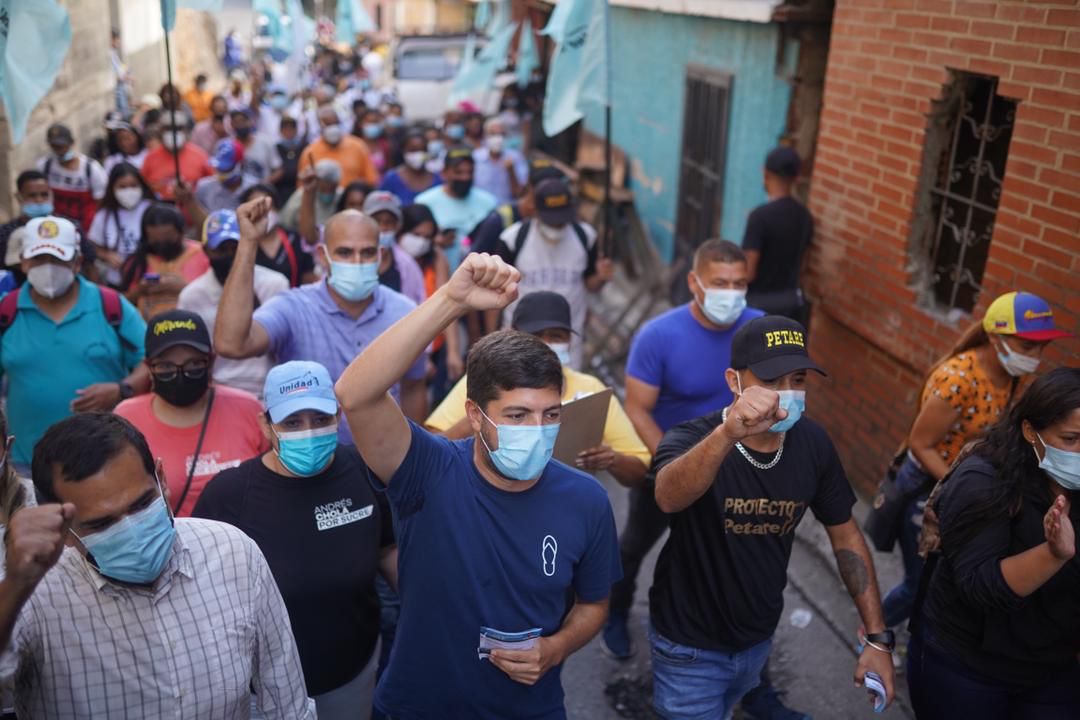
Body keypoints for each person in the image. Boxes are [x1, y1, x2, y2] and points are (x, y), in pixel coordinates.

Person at [334, 252, 621, 719]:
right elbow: (355, 393)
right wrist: (451, 299)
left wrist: (556, 648)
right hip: (418, 707)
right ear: (475, 415)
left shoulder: (586, 499)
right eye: (516, 415)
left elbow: (593, 605)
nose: (537, 429)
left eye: (550, 414)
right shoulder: (426, 471)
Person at [649, 315, 896, 718]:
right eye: (772, 380)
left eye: (798, 380)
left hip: (757, 638)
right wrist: (729, 434)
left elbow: (846, 536)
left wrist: (877, 637)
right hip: (688, 646)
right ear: (734, 381)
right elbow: (668, 497)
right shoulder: (693, 437)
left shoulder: (812, 444)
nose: (787, 394)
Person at [0, 412, 315, 717]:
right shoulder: (32, 595)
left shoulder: (233, 552)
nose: (131, 531)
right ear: (63, 531)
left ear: (161, 480)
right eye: (102, 525)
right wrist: (16, 586)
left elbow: (288, 704)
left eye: (141, 504)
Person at [193, 360, 398, 719]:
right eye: (292, 422)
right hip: (261, 687)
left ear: (337, 416)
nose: (308, 432)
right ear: (266, 425)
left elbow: (390, 552)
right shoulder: (229, 494)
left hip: (353, 672)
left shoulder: (365, 471)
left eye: (320, 420)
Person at [606, 239, 764, 658]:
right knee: (635, 544)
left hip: (737, 468)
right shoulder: (658, 335)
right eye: (720, 282)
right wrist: (670, 462)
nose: (730, 293)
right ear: (694, 282)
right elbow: (637, 408)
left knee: (730, 557)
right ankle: (615, 613)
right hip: (669, 461)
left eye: (739, 283)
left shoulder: (759, 329)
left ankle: (736, 644)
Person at [880, 291, 1070, 633]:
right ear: (995, 337)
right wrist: (967, 491)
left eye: (1042, 347)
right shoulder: (958, 380)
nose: (1036, 357)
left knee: (939, 577)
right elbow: (921, 445)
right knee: (919, 581)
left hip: (970, 489)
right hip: (933, 491)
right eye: (1027, 346)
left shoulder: (1010, 375)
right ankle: (873, 633)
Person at [910, 367, 1080, 719]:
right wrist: (1052, 553)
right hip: (968, 667)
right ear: (1031, 431)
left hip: (1053, 668)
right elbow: (981, 587)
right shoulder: (983, 481)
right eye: (1071, 438)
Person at [215, 197, 427, 444]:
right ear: (322, 256)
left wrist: (414, 460)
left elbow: (413, 387)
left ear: (380, 255)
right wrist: (248, 243)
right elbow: (231, 344)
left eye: (367, 252)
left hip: (385, 464)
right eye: (345, 253)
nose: (357, 263)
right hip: (311, 465)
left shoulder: (405, 313)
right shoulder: (293, 308)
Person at [428, 290, 651, 487]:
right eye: (535, 335)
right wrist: (483, 420)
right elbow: (432, 447)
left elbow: (640, 469)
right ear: (512, 334)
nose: (545, 344)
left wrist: (611, 459)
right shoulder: (485, 380)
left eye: (556, 336)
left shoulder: (590, 388)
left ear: (569, 341)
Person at [0, 217, 149, 472]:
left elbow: (150, 361)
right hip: (26, 463)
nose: (48, 268)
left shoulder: (110, 306)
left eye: (58, 260)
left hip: (106, 459)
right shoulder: (6, 312)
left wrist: (121, 389)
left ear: (77, 262)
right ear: (24, 262)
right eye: (39, 259)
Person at [114, 309, 267, 516]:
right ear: (149, 367)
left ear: (211, 362)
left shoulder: (248, 408)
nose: (180, 374)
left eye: (194, 363)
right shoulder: (127, 419)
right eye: (166, 366)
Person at [495, 178, 613, 368]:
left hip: (566, 343)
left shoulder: (585, 237)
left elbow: (590, 285)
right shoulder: (512, 239)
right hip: (520, 341)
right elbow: (496, 292)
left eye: (562, 221)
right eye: (552, 221)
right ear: (536, 211)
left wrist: (601, 277)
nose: (557, 226)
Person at [178, 210, 289, 397]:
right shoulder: (192, 296)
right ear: (205, 250)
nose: (229, 254)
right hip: (220, 390)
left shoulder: (274, 284)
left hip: (272, 388)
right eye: (221, 249)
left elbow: (284, 343)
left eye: (235, 247)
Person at [742, 147, 812, 323]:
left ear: (765, 174)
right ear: (795, 178)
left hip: (758, 309)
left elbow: (749, 272)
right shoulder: (805, 217)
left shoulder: (759, 216)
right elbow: (804, 265)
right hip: (790, 308)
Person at [122, 203, 211, 319]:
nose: (162, 247)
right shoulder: (137, 262)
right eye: (155, 242)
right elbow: (122, 303)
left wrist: (184, 288)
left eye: (167, 241)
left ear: (180, 233)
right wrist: (140, 290)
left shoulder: (204, 255)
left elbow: (216, 297)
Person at [414, 147, 497, 270]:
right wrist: (435, 242)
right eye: (458, 172)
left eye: (470, 172)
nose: (465, 178)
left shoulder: (489, 202)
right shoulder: (424, 202)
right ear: (444, 173)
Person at [87, 162, 153, 288]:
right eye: (122, 187)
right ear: (112, 189)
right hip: (117, 281)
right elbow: (92, 245)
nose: (128, 191)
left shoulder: (151, 209)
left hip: (148, 280)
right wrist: (106, 255)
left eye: (133, 186)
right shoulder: (104, 215)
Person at [36, 123, 109, 233]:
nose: (58, 151)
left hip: (86, 227)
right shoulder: (45, 166)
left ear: (71, 143)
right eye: (54, 146)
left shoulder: (91, 168)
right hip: (56, 226)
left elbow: (101, 199)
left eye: (61, 146)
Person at [242, 184, 318, 288]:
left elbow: (309, 281)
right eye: (256, 208)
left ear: (277, 209)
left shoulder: (295, 239)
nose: (263, 213)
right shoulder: (240, 245)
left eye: (267, 206)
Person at [363, 191, 426, 306]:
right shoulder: (350, 259)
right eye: (376, 220)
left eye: (389, 222)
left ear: (398, 226)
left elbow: (416, 306)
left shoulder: (407, 265)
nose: (383, 227)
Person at [298, 106, 379, 188]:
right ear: (319, 126)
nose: (332, 128)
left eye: (335, 123)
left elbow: (371, 180)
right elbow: (303, 187)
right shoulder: (310, 152)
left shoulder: (358, 146)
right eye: (328, 124)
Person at [141, 111, 213, 202]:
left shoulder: (200, 155)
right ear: (160, 131)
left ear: (186, 131)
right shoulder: (150, 159)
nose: (173, 132)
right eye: (168, 129)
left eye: (178, 128)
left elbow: (212, 184)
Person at [194, 139, 258, 219]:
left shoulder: (254, 189)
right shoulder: (204, 188)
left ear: (240, 165)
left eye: (226, 169)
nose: (221, 173)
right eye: (219, 168)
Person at [472, 117, 528, 205]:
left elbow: (519, 193)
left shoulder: (516, 157)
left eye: (501, 135)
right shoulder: (475, 157)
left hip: (506, 210)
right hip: (480, 209)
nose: (498, 138)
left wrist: (511, 171)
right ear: (485, 136)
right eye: (493, 134)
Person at [378, 131, 441, 206]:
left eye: (422, 150)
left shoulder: (438, 179)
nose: (418, 154)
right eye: (413, 150)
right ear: (403, 151)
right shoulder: (391, 179)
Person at [282, 159, 342, 233]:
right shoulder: (302, 196)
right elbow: (285, 222)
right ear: (317, 181)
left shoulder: (342, 196)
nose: (327, 193)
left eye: (331, 189)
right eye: (324, 189)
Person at [230, 108, 282, 184]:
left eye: (243, 121)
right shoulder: (228, 145)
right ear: (232, 124)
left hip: (262, 189)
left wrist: (265, 183)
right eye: (236, 122)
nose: (240, 125)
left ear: (250, 122)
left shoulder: (265, 141)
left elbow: (279, 170)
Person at [273, 116, 306, 203]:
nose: (288, 131)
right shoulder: (276, 148)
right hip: (281, 191)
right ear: (280, 131)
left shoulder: (304, 146)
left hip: (300, 189)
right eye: (285, 128)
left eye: (291, 128)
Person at [355, 108, 392, 174]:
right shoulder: (355, 145)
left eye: (375, 122)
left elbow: (389, 169)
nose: (372, 125)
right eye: (369, 122)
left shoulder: (385, 145)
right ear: (361, 124)